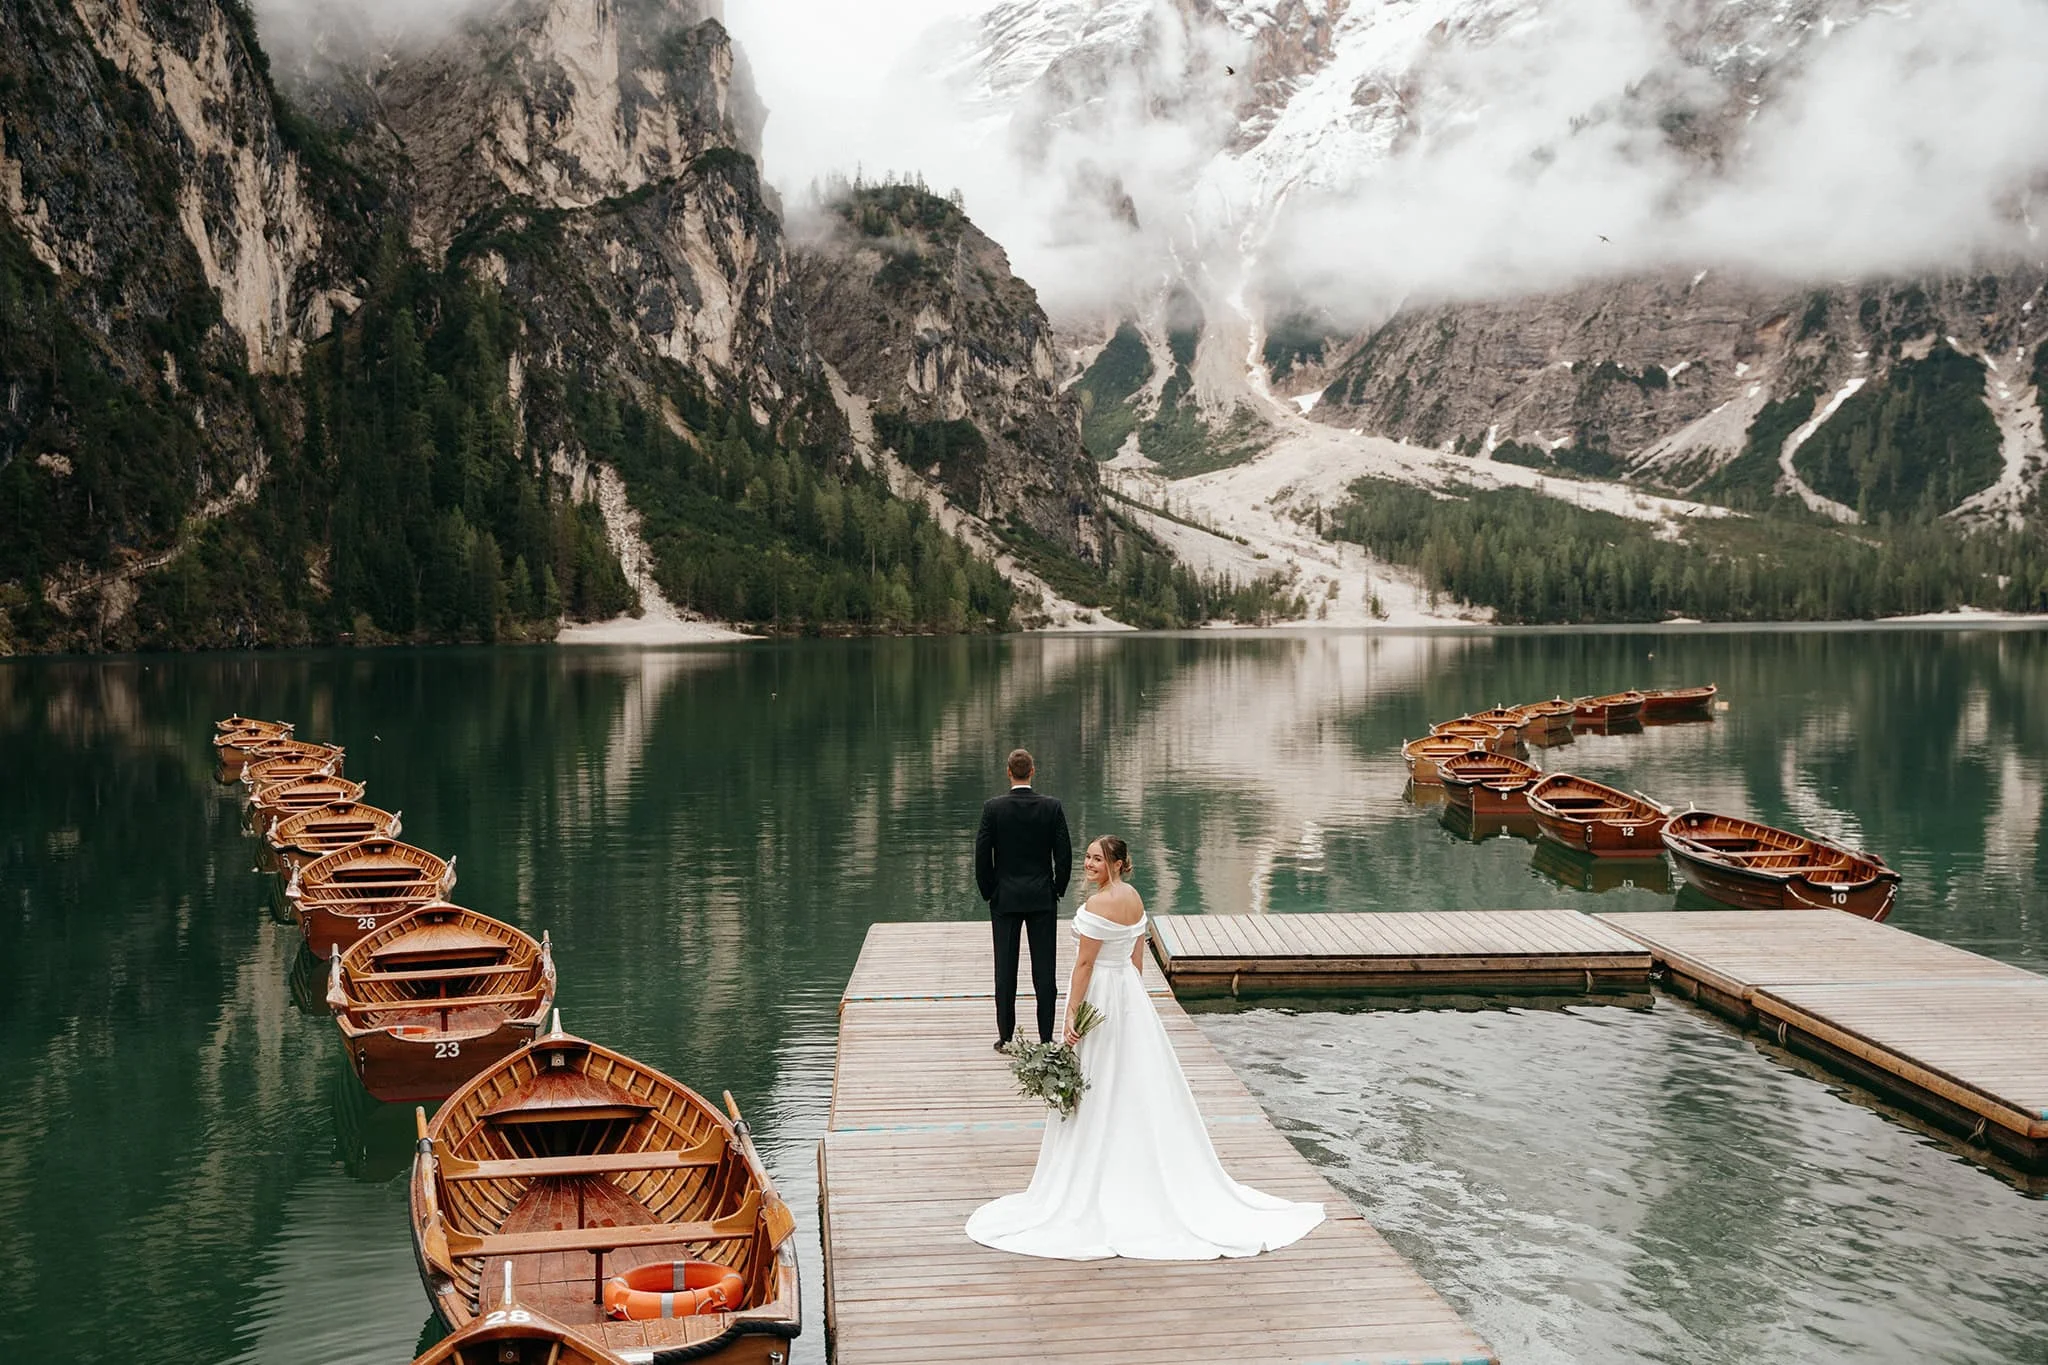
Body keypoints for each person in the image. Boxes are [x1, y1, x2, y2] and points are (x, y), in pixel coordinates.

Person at [965, 836, 1326, 1260]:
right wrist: (1131, 998)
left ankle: (1101, 1172)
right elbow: (1136, 960)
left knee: (1099, 1079)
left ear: (1117, 863)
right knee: (1135, 1077)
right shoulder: (1134, 899)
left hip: (1099, 994)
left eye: (1097, 859)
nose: (1088, 864)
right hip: (1128, 995)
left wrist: (1070, 1016)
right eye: (1087, 858)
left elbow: (1084, 965)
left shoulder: (1098, 907)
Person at [974, 748, 1072, 1050]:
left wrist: (989, 891)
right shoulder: (1052, 807)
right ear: (1033, 771)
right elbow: (1064, 855)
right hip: (1041, 896)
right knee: (1045, 970)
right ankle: (1045, 1037)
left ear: (1008, 772)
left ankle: (1005, 1037)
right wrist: (1057, 888)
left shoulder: (993, 808)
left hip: (1005, 898)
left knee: (1005, 970)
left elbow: (981, 855)